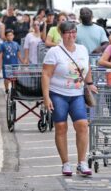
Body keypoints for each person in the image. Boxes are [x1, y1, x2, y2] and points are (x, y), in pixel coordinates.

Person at [42, 21, 97, 176]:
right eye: (68, 32)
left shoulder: (82, 49)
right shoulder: (54, 52)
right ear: (61, 34)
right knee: (61, 127)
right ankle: (65, 163)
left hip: (77, 94)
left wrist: (90, 83)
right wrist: (46, 97)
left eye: (74, 32)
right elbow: (46, 74)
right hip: (58, 93)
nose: (71, 35)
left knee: (82, 125)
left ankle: (82, 163)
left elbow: (87, 68)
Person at [0, 29, 24, 93]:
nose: (9, 37)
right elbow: (0, 56)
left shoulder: (16, 44)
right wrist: (0, 65)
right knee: (6, 78)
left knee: (14, 78)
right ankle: (6, 89)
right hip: (6, 65)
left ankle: (13, 89)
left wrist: (23, 62)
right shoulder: (3, 45)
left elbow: (19, 55)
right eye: (8, 35)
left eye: (11, 35)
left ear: (13, 36)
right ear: (6, 36)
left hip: (15, 64)